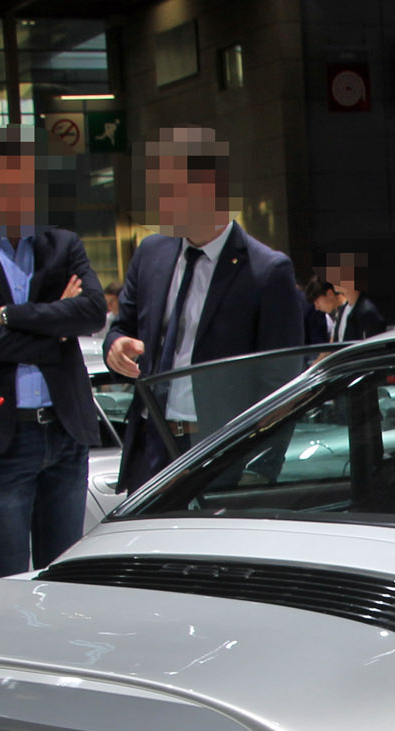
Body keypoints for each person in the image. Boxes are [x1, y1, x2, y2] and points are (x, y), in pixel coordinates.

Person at [0, 127, 106, 576]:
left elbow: (90, 313)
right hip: (2, 438)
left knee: (65, 578)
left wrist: (7, 314)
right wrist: (54, 329)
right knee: (5, 582)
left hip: (66, 431)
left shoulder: (62, 242)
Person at [107, 127, 306, 492]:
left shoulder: (266, 271)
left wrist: (261, 467)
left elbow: (281, 383)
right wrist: (115, 347)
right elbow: (121, 328)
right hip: (152, 443)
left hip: (221, 448)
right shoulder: (152, 253)